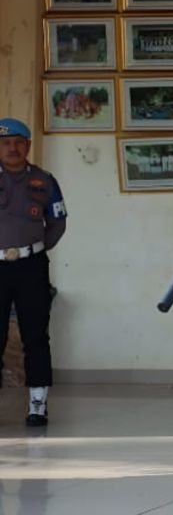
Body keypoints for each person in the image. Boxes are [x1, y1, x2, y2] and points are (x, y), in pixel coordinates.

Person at [0, 118, 67, 427]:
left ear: (27, 145)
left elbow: (57, 223)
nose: (12, 148)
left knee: (36, 335)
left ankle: (37, 403)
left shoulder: (44, 180)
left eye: (18, 142)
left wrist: (34, 249)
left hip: (32, 267)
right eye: (5, 143)